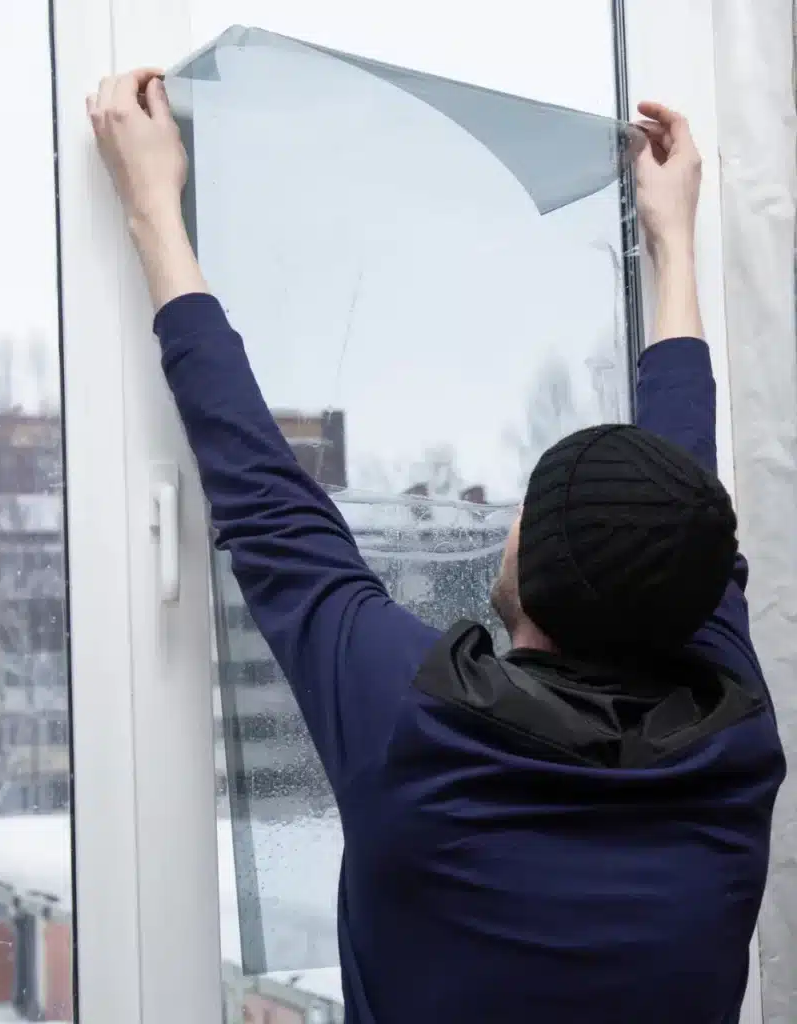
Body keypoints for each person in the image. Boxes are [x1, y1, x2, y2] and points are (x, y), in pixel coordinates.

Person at [88, 72, 786, 1024]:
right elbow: (684, 481)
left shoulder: (422, 729)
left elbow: (269, 502)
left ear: (532, 572)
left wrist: (150, 209)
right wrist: (675, 243)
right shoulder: (733, 732)